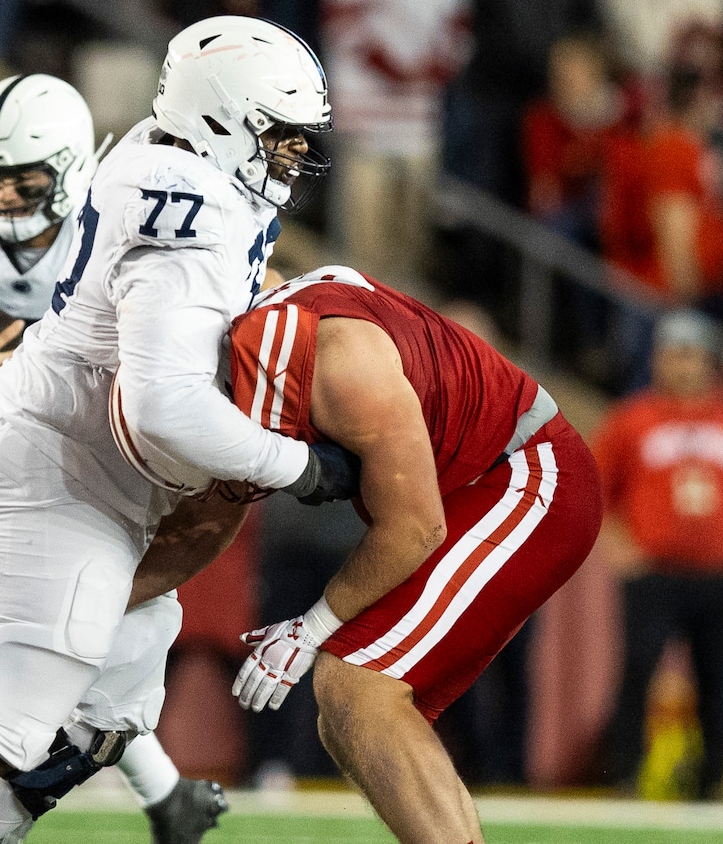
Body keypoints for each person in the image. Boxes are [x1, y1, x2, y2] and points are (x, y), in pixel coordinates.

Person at [0, 15, 355, 844]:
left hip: (82, 461)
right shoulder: (191, 206)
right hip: (53, 468)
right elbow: (167, 402)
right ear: (220, 118)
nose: (294, 156)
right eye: (278, 135)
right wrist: (298, 466)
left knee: (105, 720)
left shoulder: (170, 161)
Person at [0, 74, 228, 844]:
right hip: (12, 476)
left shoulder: (125, 220)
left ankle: (16, 819)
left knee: (93, 647)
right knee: (16, 641)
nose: (5, 198)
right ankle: (163, 801)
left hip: (115, 471)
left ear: (74, 166)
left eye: (26, 179)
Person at [218, 265, 601, 844]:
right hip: (478, 483)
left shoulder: (341, 362)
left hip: (523, 476)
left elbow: (415, 527)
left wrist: (309, 628)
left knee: (357, 683)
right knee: (351, 703)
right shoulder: (306, 303)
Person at [593, 309, 723, 800]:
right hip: (653, 574)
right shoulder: (632, 421)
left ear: (708, 362)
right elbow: (595, 489)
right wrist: (621, 548)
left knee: (720, 677)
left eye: (690, 355)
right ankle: (625, 774)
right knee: (637, 670)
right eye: (671, 354)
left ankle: (712, 780)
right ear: (657, 360)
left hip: (720, 577)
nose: (680, 365)